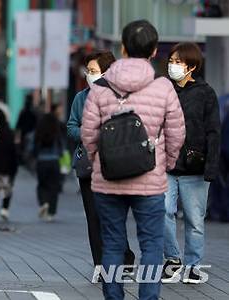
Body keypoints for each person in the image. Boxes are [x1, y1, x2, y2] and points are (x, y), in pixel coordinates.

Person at [81, 20, 185, 299]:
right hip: (150, 181)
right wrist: (168, 164)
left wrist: (99, 162)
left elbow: (88, 134)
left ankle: (114, 296)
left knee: (112, 244)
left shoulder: (101, 89)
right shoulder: (163, 87)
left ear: (123, 48)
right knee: (151, 245)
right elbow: (176, 133)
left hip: (108, 181)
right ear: (153, 51)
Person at [67, 50, 136, 274]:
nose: (90, 75)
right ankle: (101, 264)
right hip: (89, 165)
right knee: (93, 216)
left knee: (114, 215)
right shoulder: (81, 98)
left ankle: (124, 258)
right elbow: (71, 126)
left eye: (94, 71)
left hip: (116, 165)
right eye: (88, 71)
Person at [161, 42, 221, 284]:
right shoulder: (164, 91)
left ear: (192, 66)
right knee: (162, 212)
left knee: (195, 221)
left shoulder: (206, 93)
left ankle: (193, 265)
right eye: (171, 61)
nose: (172, 65)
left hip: (196, 168)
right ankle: (173, 259)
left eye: (178, 62)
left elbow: (214, 132)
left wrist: (211, 167)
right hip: (166, 165)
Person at [33, 109, 65, 222]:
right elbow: (61, 148)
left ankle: (43, 203)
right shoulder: (56, 132)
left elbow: (34, 148)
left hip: (41, 161)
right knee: (53, 187)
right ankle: (51, 212)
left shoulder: (39, 132)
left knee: (42, 185)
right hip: (54, 162)